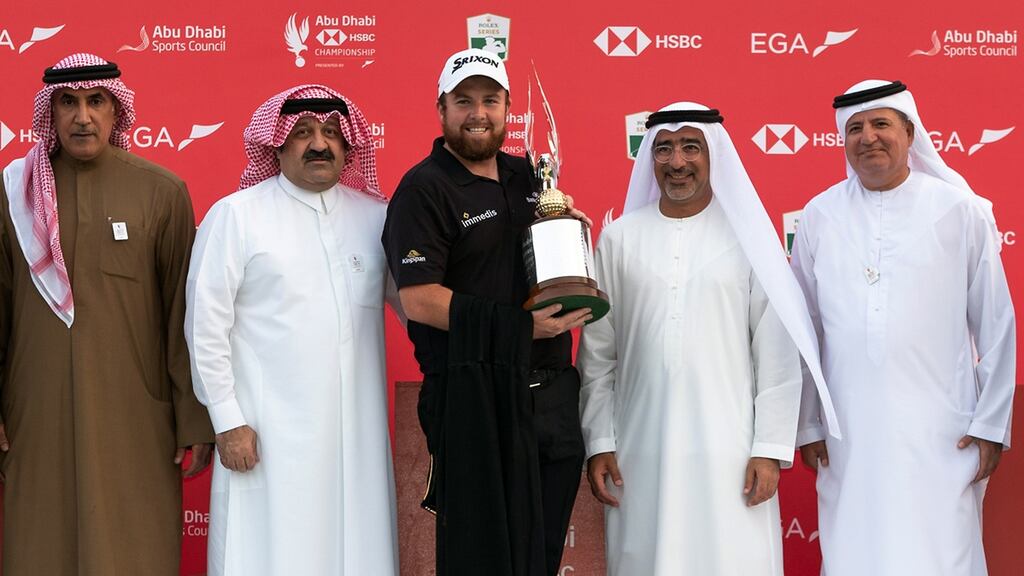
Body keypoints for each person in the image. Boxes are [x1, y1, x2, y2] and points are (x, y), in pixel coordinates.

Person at [577, 102, 840, 576]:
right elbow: (598, 356)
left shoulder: (749, 242)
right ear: (649, 159)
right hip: (640, 451)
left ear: (713, 153)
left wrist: (769, 448)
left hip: (732, 454)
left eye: (690, 147)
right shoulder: (618, 239)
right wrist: (599, 440)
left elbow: (776, 354)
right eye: (664, 149)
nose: (677, 162)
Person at [0, 52, 213, 575]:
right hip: (35, 409)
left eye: (96, 101)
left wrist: (193, 417)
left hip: (137, 416)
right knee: (38, 547)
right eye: (67, 103)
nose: (82, 116)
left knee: (132, 547)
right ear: (49, 114)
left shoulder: (162, 192)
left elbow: (181, 318)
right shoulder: (13, 195)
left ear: (117, 111)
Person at [792, 80, 1016, 576]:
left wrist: (990, 426)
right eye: (854, 128)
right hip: (849, 433)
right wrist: (809, 421)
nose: (868, 137)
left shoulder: (961, 211)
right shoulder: (819, 216)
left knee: (941, 552)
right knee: (854, 550)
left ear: (910, 133)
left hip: (943, 432)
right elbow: (805, 330)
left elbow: (997, 323)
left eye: (880, 124)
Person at [382, 48, 590, 576]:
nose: (478, 112)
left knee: (540, 557)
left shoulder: (532, 179)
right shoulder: (423, 189)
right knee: (481, 559)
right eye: (464, 100)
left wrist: (570, 235)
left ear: (507, 108)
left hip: (549, 400)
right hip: (471, 399)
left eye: (490, 100)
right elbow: (419, 299)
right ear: (441, 109)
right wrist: (521, 328)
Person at [186, 85, 398, 576]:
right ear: (276, 145)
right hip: (266, 436)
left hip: (357, 440)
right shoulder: (236, 216)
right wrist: (226, 420)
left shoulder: (378, 219)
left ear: (350, 147)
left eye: (330, 133)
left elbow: (416, 305)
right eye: (302, 133)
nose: (318, 144)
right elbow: (204, 325)